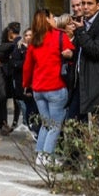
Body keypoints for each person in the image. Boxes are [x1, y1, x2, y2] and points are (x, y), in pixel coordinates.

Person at [22, 9, 72, 164]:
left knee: (46, 123)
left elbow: (27, 67)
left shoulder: (34, 41)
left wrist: (26, 85)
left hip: (38, 89)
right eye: (52, 17)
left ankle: (40, 155)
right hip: (56, 86)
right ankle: (48, 156)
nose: (54, 19)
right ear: (48, 19)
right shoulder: (60, 35)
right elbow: (71, 52)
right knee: (55, 126)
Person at [0, 22, 25, 131]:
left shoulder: (15, 43)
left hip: (10, 74)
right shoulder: (15, 43)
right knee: (8, 98)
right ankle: (9, 123)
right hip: (7, 74)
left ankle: (10, 123)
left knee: (11, 99)